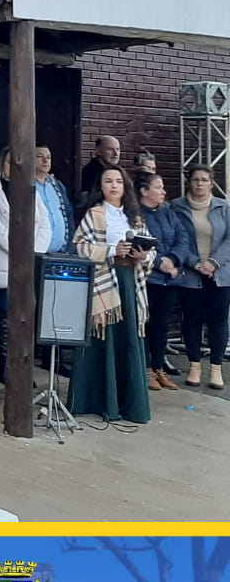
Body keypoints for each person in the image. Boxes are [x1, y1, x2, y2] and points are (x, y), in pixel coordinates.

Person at [67, 166, 154, 423]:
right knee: (105, 339)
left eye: (118, 181)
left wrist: (143, 255)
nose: (114, 185)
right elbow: (80, 246)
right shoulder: (94, 214)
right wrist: (112, 250)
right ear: (101, 186)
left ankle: (128, 404)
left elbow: (152, 249)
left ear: (125, 186)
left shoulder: (135, 217)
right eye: (108, 181)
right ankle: (97, 401)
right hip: (105, 282)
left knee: (128, 340)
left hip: (129, 281)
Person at [0, 147, 52, 382]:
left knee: (24, 318)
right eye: (11, 162)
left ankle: (22, 366)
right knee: (5, 319)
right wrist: (21, 250)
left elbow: (45, 224)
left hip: (28, 264)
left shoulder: (31, 190)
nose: (15, 168)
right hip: (2, 263)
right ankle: (6, 364)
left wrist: (33, 251)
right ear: (3, 163)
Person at [170, 164, 230, 390]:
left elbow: (229, 239)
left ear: (212, 183)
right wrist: (195, 262)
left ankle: (216, 369)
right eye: (196, 179)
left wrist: (214, 262)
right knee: (192, 319)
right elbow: (176, 239)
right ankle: (194, 366)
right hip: (191, 273)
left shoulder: (223, 207)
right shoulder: (177, 207)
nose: (200, 184)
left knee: (218, 321)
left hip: (220, 273)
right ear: (189, 182)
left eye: (204, 180)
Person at [136, 170, 187, 392]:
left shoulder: (168, 211)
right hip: (150, 278)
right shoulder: (136, 213)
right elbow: (141, 243)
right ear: (144, 191)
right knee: (146, 325)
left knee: (162, 326)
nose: (163, 192)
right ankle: (146, 368)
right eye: (158, 187)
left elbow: (182, 238)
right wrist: (159, 263)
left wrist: (174, 260)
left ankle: (159, 367)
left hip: (170, 278)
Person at [34, 144, 74, 254]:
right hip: (35, 252)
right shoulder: (25, 185)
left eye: (48, 157)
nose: (45, 160)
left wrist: (69, 246)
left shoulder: (57, 185)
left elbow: (68, 214)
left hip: (60, 252)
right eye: (39, 156)